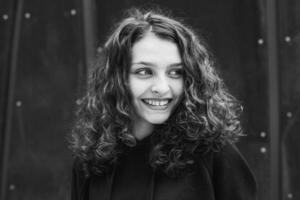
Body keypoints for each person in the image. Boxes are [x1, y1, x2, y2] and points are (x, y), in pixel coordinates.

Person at [69, 8, 257, 200]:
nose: (162, 87)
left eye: (175, 72)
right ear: (118, 78)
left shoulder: (214, 154)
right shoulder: (92, 160)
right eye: (144, 72)